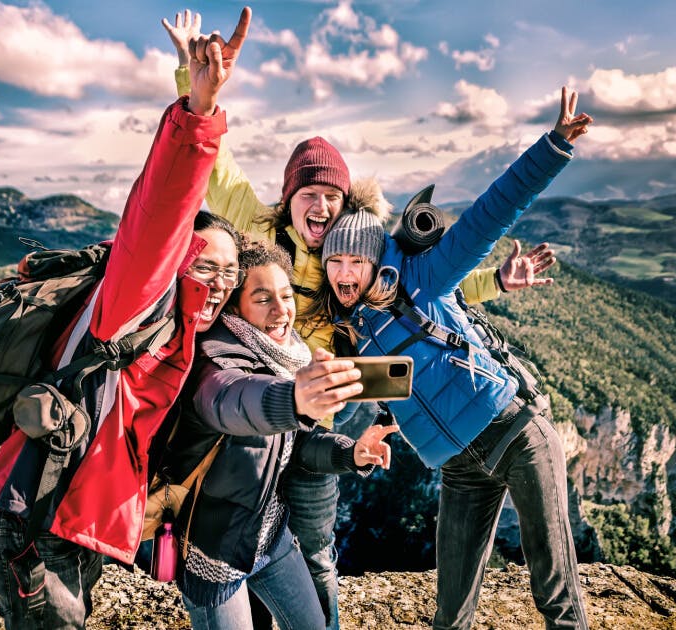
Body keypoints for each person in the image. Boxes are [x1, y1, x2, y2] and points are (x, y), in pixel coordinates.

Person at [160, 12, 556, 628]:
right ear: (288, 197)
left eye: (332, 197)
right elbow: (213, 163)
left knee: (311, 543)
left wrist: (498, 281)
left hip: (328, 405)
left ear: (346, 207)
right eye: (308, 193)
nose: (320, 205)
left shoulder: (362, 258)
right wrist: (194, 79)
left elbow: (429, 286)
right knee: (249, 527)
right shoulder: (259, 227)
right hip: (256, 399)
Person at [0, 9, 252, 628]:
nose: (220, 283)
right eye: (207, 265)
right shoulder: (135, 300)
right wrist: (199, 110)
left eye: (230, 274)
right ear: (176, 261)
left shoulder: (181, 332)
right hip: (35, 534)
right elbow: (159, 211)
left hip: (67, 530)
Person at [311, 88, 593, 630]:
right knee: (450, 612)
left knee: (554, 591)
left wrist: (553, 147)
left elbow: (489, 216)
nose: (344, 273)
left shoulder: (425, 280)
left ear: (373, 261)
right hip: (460, 469)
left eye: (354, 260)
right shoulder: (350, 333)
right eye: (333, 263)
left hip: (515, 433)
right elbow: (393, 398)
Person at [165, 240, 398, 630]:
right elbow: (231, 400)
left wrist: (350, 453)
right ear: (235, 307)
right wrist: (293, 398)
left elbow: (299, 446)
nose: (281, 310)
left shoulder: (287, 354)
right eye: (262, 299)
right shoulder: (213, 360)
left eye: (286, 295)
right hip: (215, 554)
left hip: (269, 533)